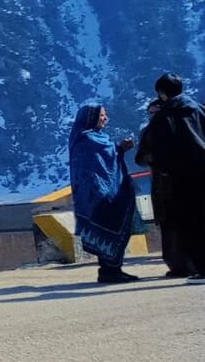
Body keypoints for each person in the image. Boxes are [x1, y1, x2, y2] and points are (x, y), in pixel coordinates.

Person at [68, 103, 141, 283]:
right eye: (101, 115)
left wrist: (119, 149)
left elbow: (108, 157)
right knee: (107, 228)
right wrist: (120, 148)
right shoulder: (87, 139)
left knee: (112, 228)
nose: (105, 118)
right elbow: (99, 163)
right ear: (90, 117)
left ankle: (112, 269)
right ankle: (110, 270)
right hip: (98, 195)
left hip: (99, 193)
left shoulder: (91, 138)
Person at [143, 73, 205, 283]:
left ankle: (201, 267)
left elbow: (158, 150)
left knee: (189, 222)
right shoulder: (199, 109)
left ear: (161, 93)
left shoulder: (164, 117)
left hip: (182, 177)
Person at [136, 98, 194, 278]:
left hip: (171, 184)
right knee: (171, 225)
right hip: (167, 184)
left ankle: (185, 264)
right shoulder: (186, 124)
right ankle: (181, 264)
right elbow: (142, 157)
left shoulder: (158, 129)